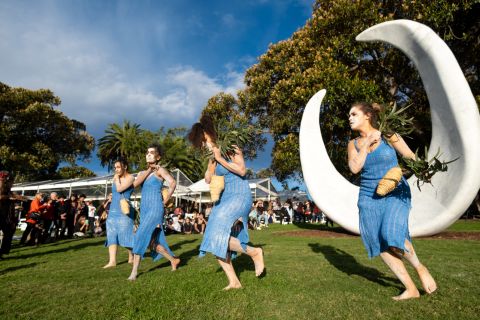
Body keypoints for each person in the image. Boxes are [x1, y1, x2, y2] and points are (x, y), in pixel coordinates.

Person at [347, 101, 437, 300]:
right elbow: (355, 168)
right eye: (349, 115)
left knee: (391, 234)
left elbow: (409, 155)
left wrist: (425, 171)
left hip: (395, 191)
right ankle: (410, 289)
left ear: (367, 116)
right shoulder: (353, 144)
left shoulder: (388, 134)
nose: (350, 118)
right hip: (368, 197)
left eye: (354, 114)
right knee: (380, 244)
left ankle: (420, 268)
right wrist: (368, 142)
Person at [188, 115, 265, 290]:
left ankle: (255, 252)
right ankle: (234, 282)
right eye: (201, 144)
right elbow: (208, 179)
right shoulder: (212, 156)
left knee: (215, 235)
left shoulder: (231, 147)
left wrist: (221, 159)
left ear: (209, 134)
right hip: (223, 198)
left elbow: (242, 170)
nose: (203, 145)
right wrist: (211, 164)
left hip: (239, 194)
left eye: (204, 140)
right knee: (211, 238)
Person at [128, 144, 180, 281]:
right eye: (147, 152)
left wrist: (166, 200)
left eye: (152, 153)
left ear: (158, 157)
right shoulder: (142, 173)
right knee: (152, 242)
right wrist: (148, 170)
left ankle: (134, 272)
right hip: (144, 209)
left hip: (156, 207)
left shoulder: (160, 170)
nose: (148, 154)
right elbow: (134, 185)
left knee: (139, 235)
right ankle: (173, 260)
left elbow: (172, 182)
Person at [103, 159, 135, 269]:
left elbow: (120, 188)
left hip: (124, 210)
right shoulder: (116, 178)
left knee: (125, 235)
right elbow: (116, 191)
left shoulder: (130, 177)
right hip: (113, 210)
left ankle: (131, 254)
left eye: (118, 167)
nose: (116, 169)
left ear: (125, 167)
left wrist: (116, 179)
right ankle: (112, 261)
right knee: (111, 234)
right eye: (115, 167)